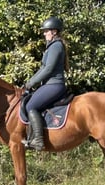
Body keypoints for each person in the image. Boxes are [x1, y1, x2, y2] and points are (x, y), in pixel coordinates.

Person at [22, 16, 69, 150]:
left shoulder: (56, 46)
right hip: (49, 84)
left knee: (31, 105)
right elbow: (42, 68)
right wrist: (29, 82)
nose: (44, 34)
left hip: (54, 85)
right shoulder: (52, 46)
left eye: (46, 31)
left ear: (54, 31)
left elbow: (48, 69)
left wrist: (31, 84)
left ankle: (38, 140)